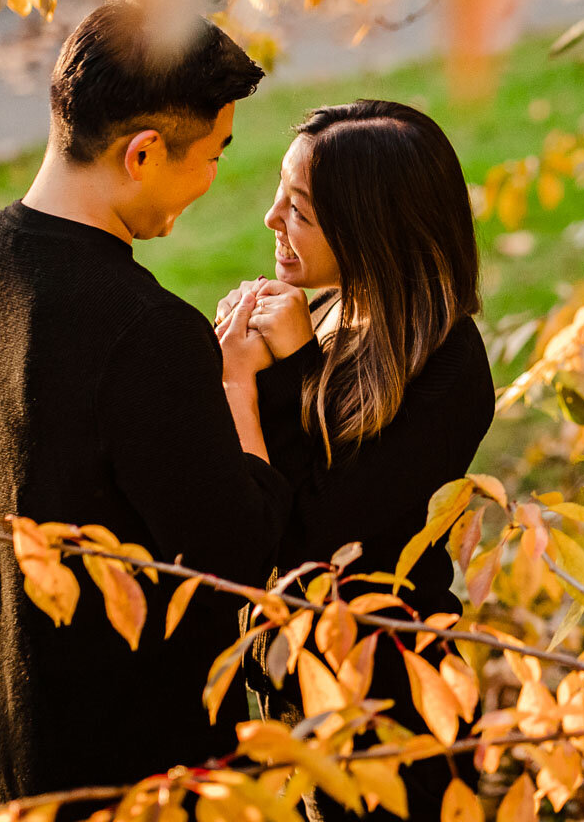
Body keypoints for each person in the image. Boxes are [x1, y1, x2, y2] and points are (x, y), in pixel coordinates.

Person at [0, 1, 293, 812]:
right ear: (142, 153)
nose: (212, 177)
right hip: (136, 762)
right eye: (211, 154)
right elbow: (239, 558)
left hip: (18, 725)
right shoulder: (146, 330)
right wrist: (234, 381)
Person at [217, 100, 494, 822]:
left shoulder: (448, 368)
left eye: (300, 210)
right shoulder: (336, 310)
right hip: (298, 674)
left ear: (371, 230)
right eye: (283, 194)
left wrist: (248, 382)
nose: (272, 219)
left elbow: (308, 534)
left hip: (389, 696)